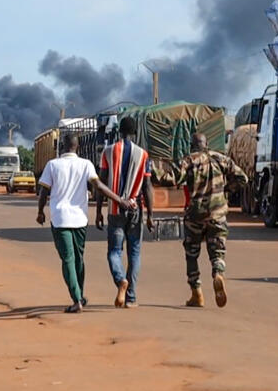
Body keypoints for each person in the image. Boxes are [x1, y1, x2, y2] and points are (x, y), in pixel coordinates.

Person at [37, 134, 134, 314]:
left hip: (60, 220)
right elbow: (99, 186)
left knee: (68, 259)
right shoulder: (86, 164)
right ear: (78, 147)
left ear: (62, 147)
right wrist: (119, 200)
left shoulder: (53, 165)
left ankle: (76, 300)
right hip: (80, 220)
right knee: (78, 259)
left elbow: (44, 191)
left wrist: (40, 211)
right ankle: (79, 296)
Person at [159, 133, 247, 308]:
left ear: (192, 145)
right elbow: (242, 178)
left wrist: (153, 173)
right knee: (218, 251)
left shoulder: (189, 161)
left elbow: (171, 179)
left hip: (195, 216)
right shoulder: (221, 159)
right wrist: (225, 191)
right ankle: (218, 274)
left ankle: (196, 293)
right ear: (207, 144)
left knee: (192, 253)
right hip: (218, 214)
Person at [97, 116, 154, 309]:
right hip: (135, 209)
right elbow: (147, 186)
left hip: (115, 209)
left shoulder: (108, 152)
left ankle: (121, 280)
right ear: (135, 132)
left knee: (114, 251)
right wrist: (150, 215)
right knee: (135, 253)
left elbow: (101, 184)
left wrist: (98, 211)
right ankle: (131, 298)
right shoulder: (143, 155)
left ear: (119, 131)